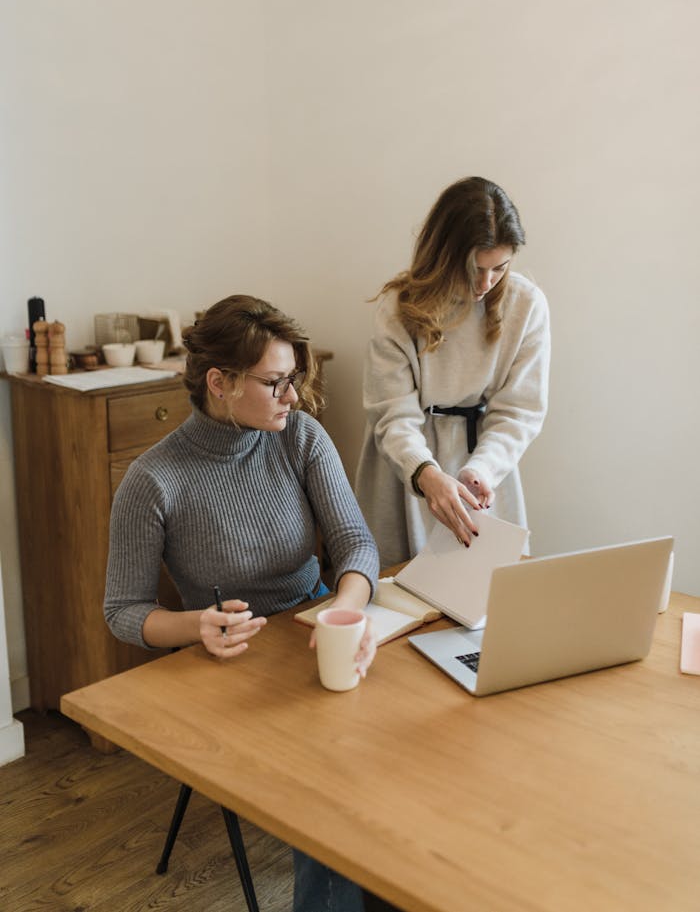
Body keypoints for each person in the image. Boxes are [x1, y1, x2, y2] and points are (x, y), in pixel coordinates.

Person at [104, 294, 380, 912]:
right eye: (276, 382)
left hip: (315, 628)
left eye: (293, 380)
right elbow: (123, 610)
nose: (292, 396)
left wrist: (348, 609)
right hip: (232, 660)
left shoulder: (300, 438)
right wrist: (195, 627)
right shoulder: (154, 479)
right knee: (331, 792)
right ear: (219, 383)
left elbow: (356, 544)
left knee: (408, 749)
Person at [355, 175, 550, 565]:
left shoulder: (526, 306)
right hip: (405, 464)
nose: (485, 283)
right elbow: (392, 413)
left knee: (486, 594)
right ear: (443, 256)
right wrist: (425, 473)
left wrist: (482, 469)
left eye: (499, 268)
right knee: (398, 597)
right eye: (474, 268)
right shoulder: (398, 308)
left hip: (482, 460)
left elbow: (519, 411)